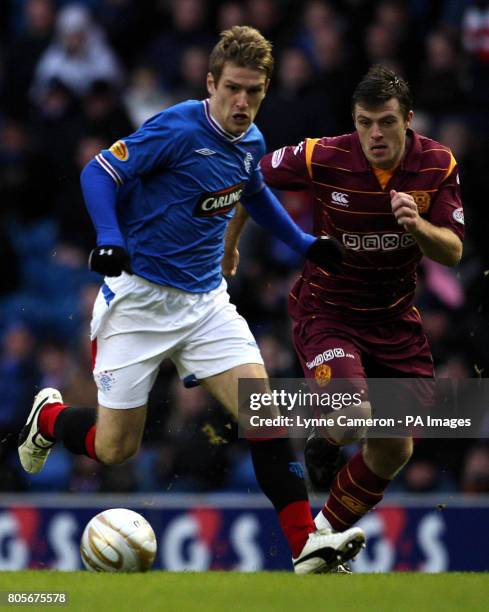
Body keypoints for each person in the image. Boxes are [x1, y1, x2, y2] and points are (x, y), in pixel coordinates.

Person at [18, 26, 364, 574]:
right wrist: (109, 236)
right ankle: (50, 417)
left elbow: (254, 189)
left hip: (205, 304)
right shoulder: (177, 128)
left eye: (254, 91)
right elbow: (98, 171)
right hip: (139, 304)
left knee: (264, 410)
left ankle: (305, 546)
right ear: (211, 84)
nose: (243, 102)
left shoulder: (250, 142)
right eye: (233, 88)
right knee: (115, 449)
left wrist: (302, 244)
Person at [231, 64, 464, 535]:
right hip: (328, 312)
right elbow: (250, 178)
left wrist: (418, 227)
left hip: (396, 321)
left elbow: (455, 252)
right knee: (353, 417)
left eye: (386, 122)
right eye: (364, 122)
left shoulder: (438, 164)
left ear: (408, 119)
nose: (374, 134)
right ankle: (327, 433)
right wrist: (231, 242)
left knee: (395, 449)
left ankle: (322, 540)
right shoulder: (323, 156)